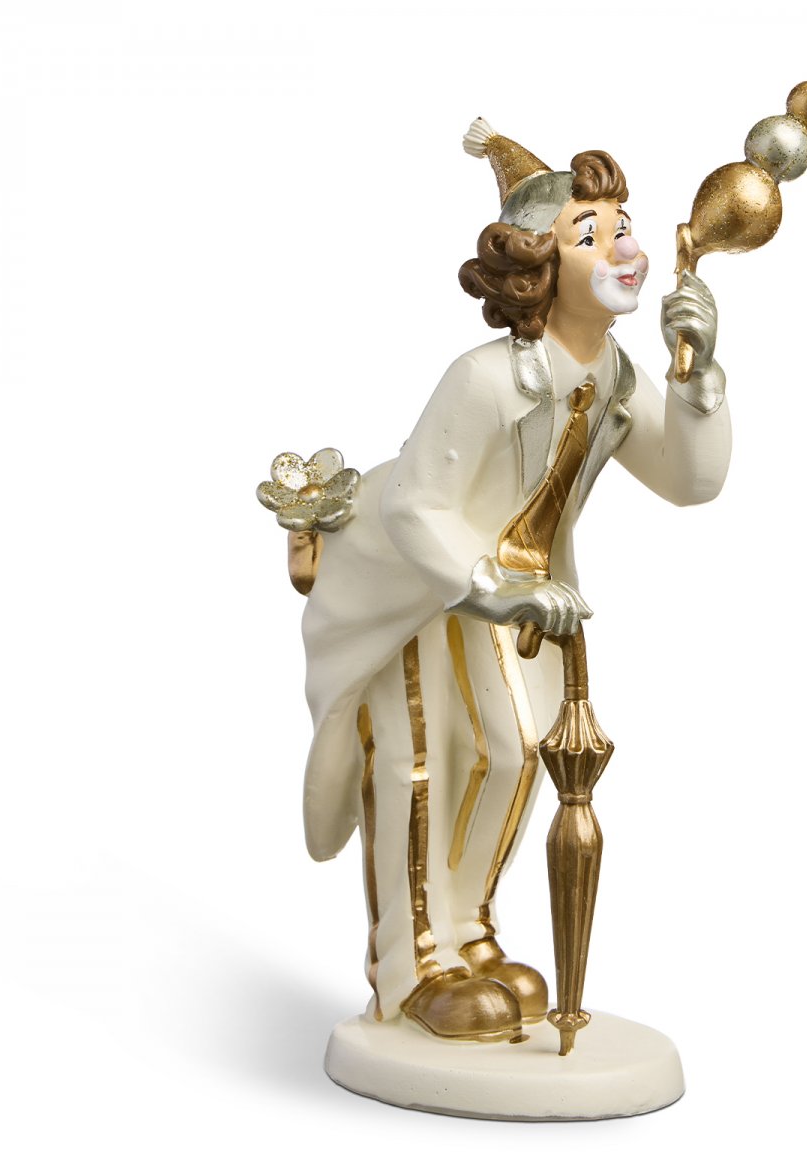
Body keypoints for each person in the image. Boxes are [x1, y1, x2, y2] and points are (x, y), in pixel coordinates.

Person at [298, 119, 731, 1042]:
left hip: (520, 592)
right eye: (591, 233)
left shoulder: (614, 377)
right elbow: (416, 507)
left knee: (514, 750)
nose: (623, 247)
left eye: (623, 226)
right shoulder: (484, 379)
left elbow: (688, 481)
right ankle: (410, 965)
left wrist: (697, 380)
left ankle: (470, 936)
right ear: (538, 267)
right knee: (417, 758)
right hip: (413, 586)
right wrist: (493, 586)